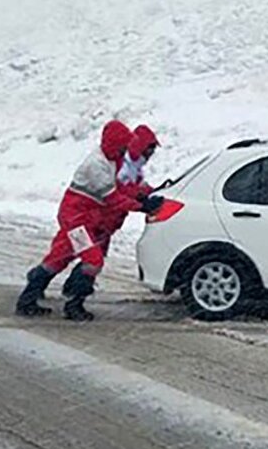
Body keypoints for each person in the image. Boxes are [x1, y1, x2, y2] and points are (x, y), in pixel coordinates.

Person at [16, 120, 163, 321]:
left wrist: (147, 192)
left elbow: (125, 187)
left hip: (87, 219)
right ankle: (74, 303)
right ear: (115, 144)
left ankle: (29, 297)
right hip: (77, 221)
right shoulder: (97, 165)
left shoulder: (112, 160)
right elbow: (113, 198)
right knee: (92, 260)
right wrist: (141, 205)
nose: (125, 152)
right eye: (123, 147)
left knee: (59, 257)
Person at [59, 124, 160, 296]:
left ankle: (67, 291)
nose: (150, 156)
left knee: (80, 255)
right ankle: (72, 299)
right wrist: (141, 204)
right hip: (80, 221)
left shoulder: (123, 164)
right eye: (148, 150)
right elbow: (116, 195)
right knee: (85, 258)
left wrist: (151, 193)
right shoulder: (106, 165)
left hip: (96, 222)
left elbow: (133, 187)